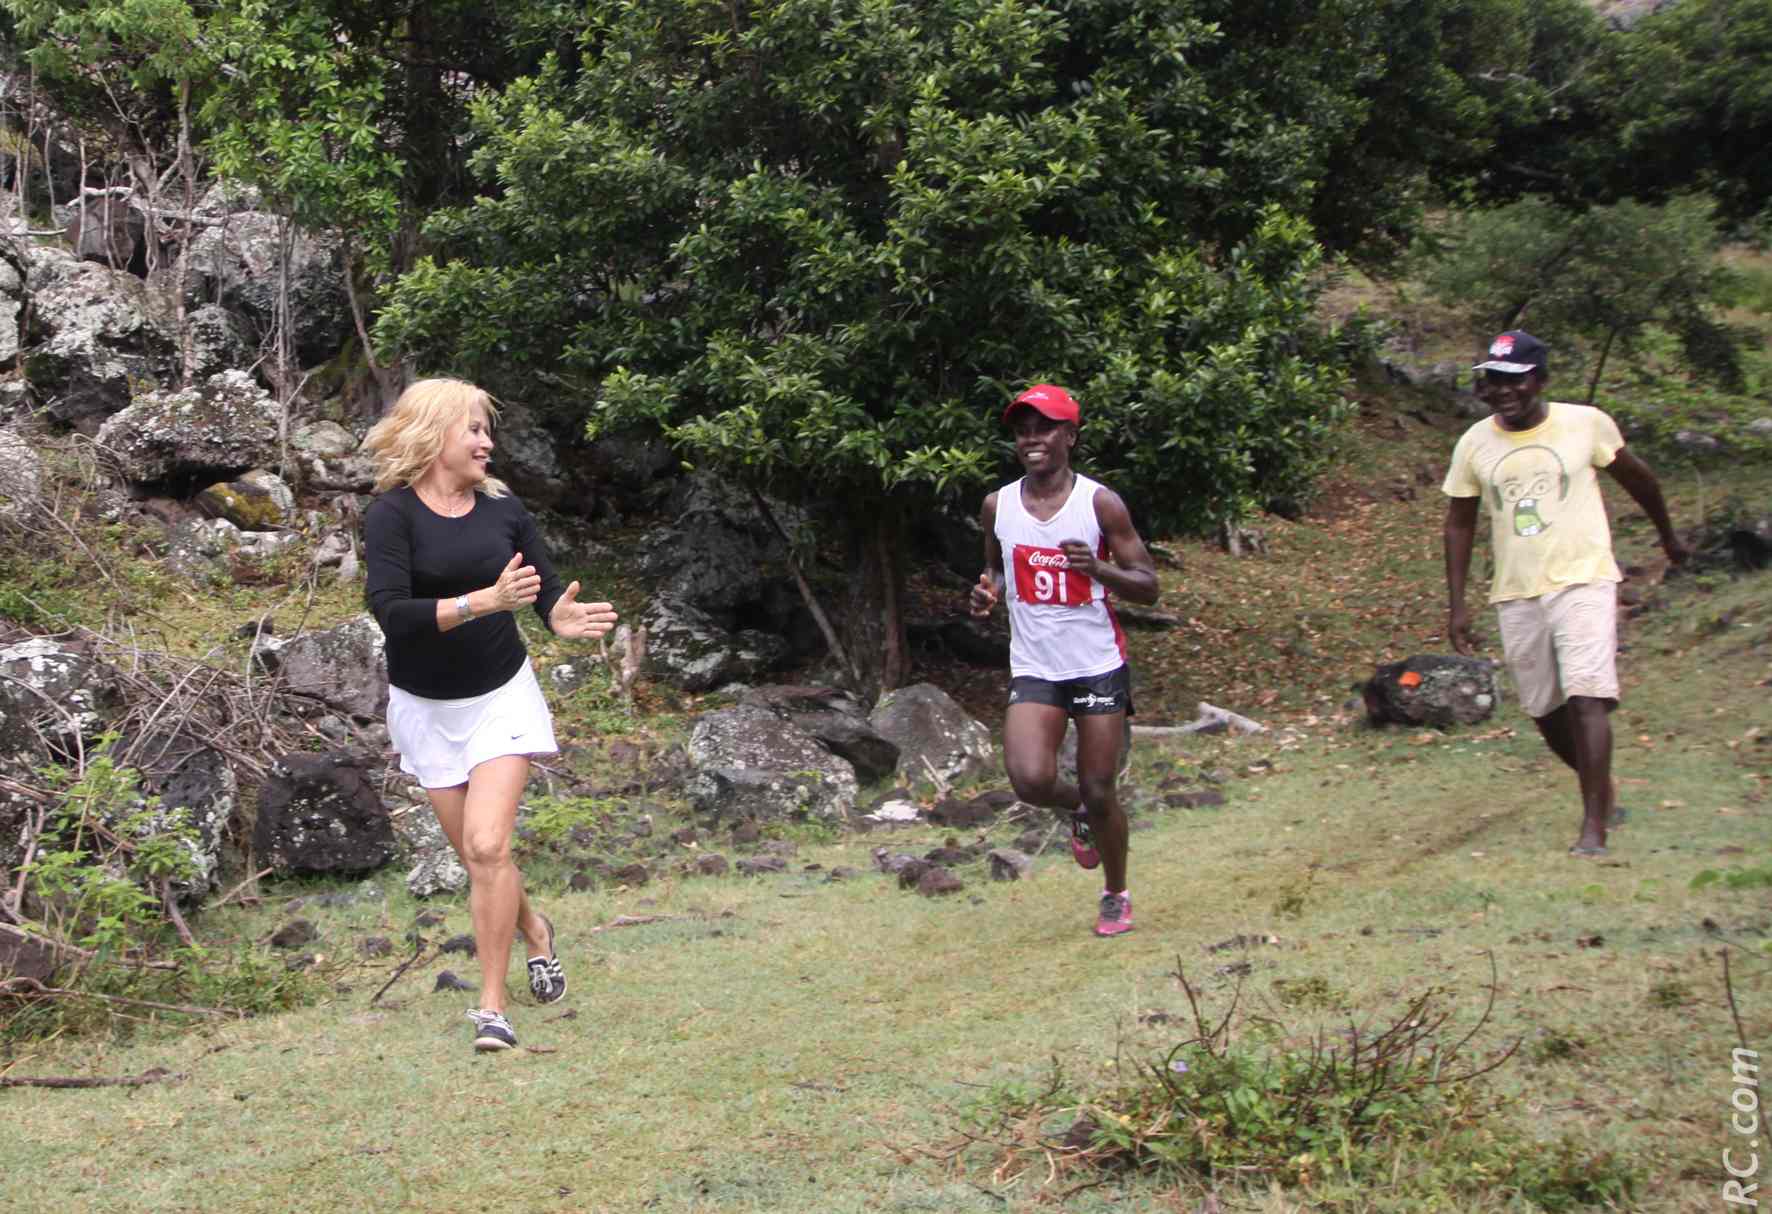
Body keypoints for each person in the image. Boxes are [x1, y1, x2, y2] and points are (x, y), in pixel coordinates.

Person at [362, 378, 618, 1053]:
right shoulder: (391, 516)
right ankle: (535, 929)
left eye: (486, 429)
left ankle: (492, 1007)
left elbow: (543, 589)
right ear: (434, 433)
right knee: (481, 859)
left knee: (487, 847)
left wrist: (556, 614)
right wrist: (483, 601)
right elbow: (391, 612)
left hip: (501, 696)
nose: (486, 441)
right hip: (423, 707)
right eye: (473, 428)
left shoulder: (503, 511)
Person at [1442, 331, 1688, 858]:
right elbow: (1459, 523)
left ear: (1540, 380)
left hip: (1584, 577)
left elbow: (1639, 479)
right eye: (1493, 380)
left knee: (1586, 696)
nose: (1503, 390)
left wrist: (1667, 535)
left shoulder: (1584, 424)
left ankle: (1593, 827)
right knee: (1544, 709)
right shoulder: (1474, 444)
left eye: (1515, 379)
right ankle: (1601, 787)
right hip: (1516, 589)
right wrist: (1458, 604)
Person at [969, 384, 1160, 936]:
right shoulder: (997, 505)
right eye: (1023, 429)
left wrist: (1098, 570)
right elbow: (995, 570)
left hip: (1097, 663)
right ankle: (1078, 812)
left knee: (1103, 789)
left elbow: (1148, 586)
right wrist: (987, 593)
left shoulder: (1099, 503)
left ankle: (1116, 893)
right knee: (1030, 780)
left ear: (1070, 437)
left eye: (1046, 427)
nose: (1032, 438)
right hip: (1035, 666)